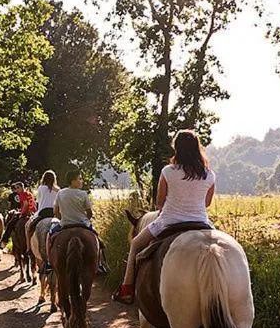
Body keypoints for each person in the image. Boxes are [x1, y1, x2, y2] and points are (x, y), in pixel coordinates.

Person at [113, 130, 216, 304]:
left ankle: (126, 290)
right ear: (197, 148)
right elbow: (206, 203)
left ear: (177, 148)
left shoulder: (168, 171)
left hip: (169, 221)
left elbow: (159, 203)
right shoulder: (209, 174)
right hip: (201, 223)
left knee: (136, 244)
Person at [46, 170, 109, 275]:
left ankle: (48, 262)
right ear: (72, 181)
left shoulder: (60, 193)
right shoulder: (83, 194)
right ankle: (99, 264)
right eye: (79, 179)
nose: (82, 181)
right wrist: (86, 220)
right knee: (97, 239)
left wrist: (63, 218)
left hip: (64, 224)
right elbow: (89, 212)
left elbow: (55, 211)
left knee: (49, 236)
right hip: (83, 224)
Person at [0, 182, 36, 247]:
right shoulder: (29, 193)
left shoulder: (22, 194)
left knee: (10, 224)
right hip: (33, 213)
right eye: (16, 188)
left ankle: (4, 242)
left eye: (18, 188)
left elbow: (25, 204)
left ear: (22, 187)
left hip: (26, 213)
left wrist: (21, 213)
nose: (16, 190)